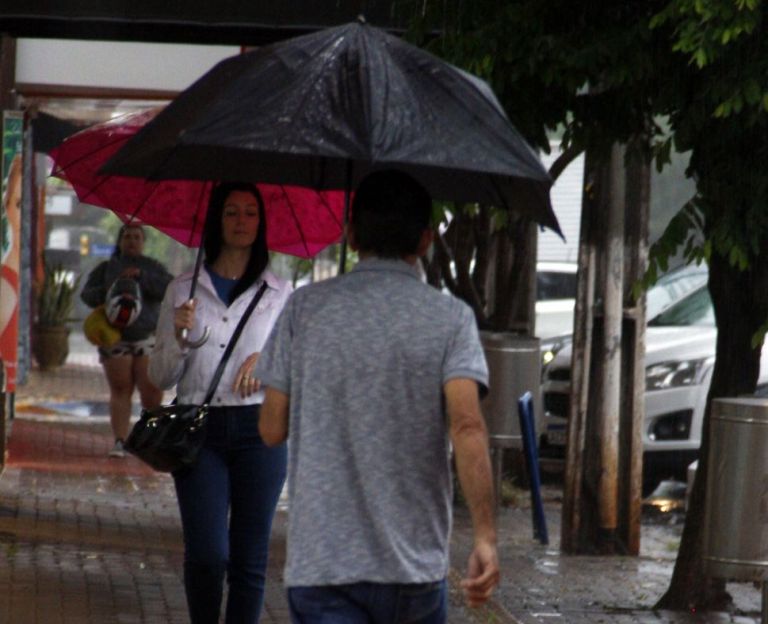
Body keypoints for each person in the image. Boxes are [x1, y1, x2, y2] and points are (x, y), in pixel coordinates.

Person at [256, 169, 500, 622]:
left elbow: (271, 429)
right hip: (413, 570)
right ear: (425, 240)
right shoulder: (451, 319)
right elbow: (467, 426)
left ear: (350, 236)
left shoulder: (305, 309)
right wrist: (484, 537)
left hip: (322, 567)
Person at [148, 182, 292, 624]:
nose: (242, 222)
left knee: (249, 562)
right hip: (198, 432)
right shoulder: (182, 289)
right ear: (217, 220)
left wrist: (268, 360)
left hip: (261, 430)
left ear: (261, 223)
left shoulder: (281, 292)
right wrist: (179, 335)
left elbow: (299, 367)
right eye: (232, 212)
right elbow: (160, 377)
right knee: (209, 554)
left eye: (251, 213)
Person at [81, 224, 173, 457]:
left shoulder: (153, 267)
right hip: (115, 339)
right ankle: (120, 441)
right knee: (121, 389)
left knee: (151, 393)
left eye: (137, 237)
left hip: (147, 338)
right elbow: (87, 295)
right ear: (120, 240)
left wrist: (142, 277)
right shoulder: (106, 268)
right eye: (127, 236)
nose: (132, 241)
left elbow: (169, 290)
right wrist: (111, 289)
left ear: (143, 241)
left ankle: (151, 439)